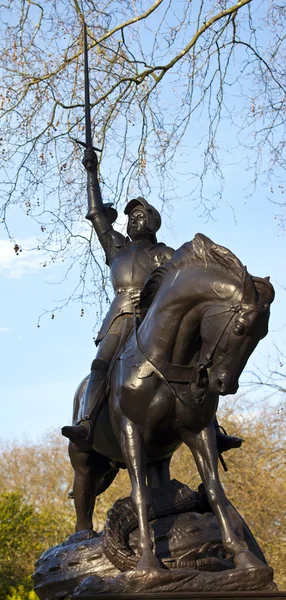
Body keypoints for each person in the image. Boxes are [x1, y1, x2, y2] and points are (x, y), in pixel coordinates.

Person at [62, 148, 242, 454]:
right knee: (100, 364)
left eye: (140, 216)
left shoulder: (164, 254)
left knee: (194, 362)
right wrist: (91, 173)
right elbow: (96, 216)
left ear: (153, 223)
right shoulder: (117, 248)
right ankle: (88, 422)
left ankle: (211, 427)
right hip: (119, 318)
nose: (134, 221)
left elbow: (179, 283)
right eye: (131, 217)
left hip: (153, 318)